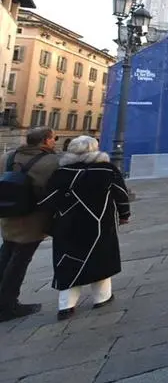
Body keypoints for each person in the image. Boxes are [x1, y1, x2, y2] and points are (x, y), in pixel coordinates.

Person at [38, 136, 130, 320]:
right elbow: (121, 194)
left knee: (69, 262)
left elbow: (47, 201)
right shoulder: (106, 169)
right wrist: (124, 214)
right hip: (98, 223)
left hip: (67, 224)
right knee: (101, 258)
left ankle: (66, 305)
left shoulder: (62, 172)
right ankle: (102, 298)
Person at [0, 127, 60, 322]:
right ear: (45, 141)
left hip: (8, 214)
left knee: (6, 254)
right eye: (53, 138)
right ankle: (8, 305)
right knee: (20, 260)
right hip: (32, 218)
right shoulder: (51, 162)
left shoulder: (8, 156)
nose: (54, 142)